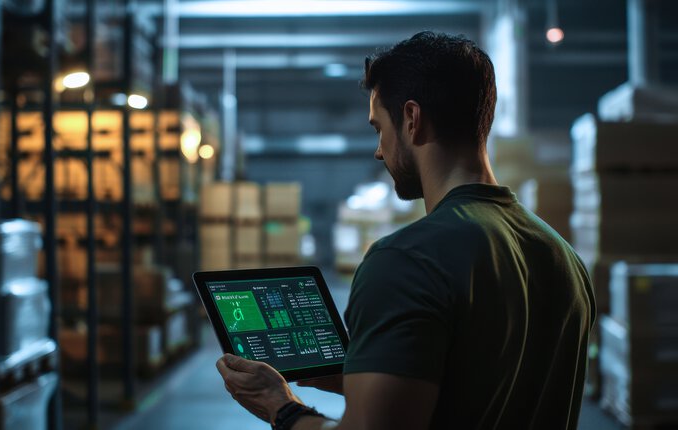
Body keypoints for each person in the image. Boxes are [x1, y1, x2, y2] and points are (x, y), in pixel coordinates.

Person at [216, 31, 595, 430]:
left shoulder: (406, 259)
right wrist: (361, 376)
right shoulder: (562, 256)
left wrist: (282, 406)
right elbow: (482, 385)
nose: (378, 150)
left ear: (412, 120)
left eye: (378, 128)